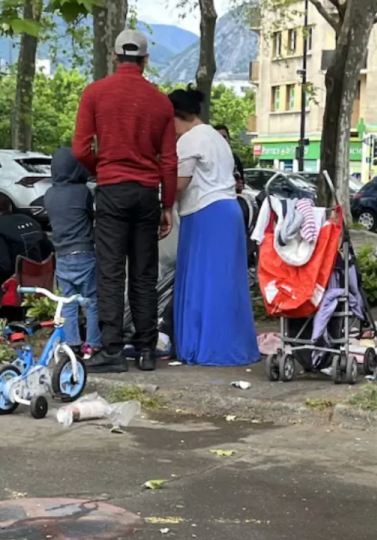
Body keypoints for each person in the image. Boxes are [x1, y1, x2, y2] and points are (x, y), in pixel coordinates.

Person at [72, 28, 177, 374]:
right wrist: (167, 205)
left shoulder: (95, 93)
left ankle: (113, 350)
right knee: (144, 274)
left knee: (111, 272)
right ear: (146, 60)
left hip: (112, 190)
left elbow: (80, 149)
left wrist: (101, 170)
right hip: (147, 195)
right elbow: (169, 160)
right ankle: (146, 349)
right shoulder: (160, 102)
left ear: (115, 56)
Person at [170, 87, 259, 367]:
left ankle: (204, 347)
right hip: (229, 210)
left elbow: (179, 185)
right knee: (227, 282)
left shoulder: (188, 141)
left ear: (175, 116)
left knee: (203, 281)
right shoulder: (216, 138)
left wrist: (160, 200)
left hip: (205, 212)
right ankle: (233, 344)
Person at [45, 148, 100, 359]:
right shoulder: (82, 192)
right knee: (92, 300)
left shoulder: (49, 195)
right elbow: (90, 216)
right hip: (84, 251)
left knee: (67, 302)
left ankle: (73, 344)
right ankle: (93, 344)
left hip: (62, 255)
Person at [0, 194, 52, 285]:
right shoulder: (29, 219)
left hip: (13, 284)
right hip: (39, 278)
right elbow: (48, 251)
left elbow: (4, 266)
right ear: (10, 206)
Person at [214, 124, 245, 195]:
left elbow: (241, 182)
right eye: (218, 137)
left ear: (229, 139)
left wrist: (239, 186)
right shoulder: (206, 159)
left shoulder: (235, 159)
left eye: (224, 137)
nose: (221, 140)